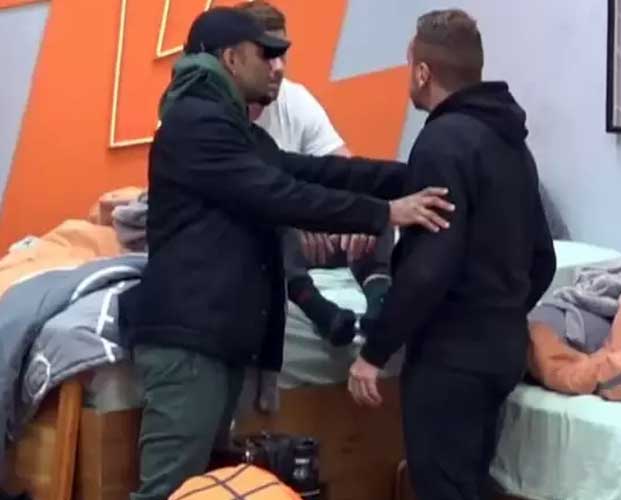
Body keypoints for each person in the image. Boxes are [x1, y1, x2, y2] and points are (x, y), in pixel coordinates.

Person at [117, 7, 454, 500]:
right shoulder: (197, 125)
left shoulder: (229, 127)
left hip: (213, 338)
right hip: (189, 342)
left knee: (203, 490)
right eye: (267, 55)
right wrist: (385, 212)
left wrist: (412, 173)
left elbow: (316, 171)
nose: (277, 67)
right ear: (231, 59)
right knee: (170, 492)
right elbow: (278, 193)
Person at [347, 9, 557, 500]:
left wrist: (373, 353)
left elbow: (429, 268)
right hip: (502, 351)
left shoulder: (441, 143)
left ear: (423, 72)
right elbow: (543, 259)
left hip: (450, 359)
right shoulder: (512, 144)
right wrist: (500, 312)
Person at [237, 0, 395, 346]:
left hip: (310, 227)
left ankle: (378, 302)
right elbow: (250, 194)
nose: (278, 67)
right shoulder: (216, 116)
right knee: (266, 221)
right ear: (238, 58)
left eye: (283, 54)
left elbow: (342, 167)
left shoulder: (295, 100)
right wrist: (299, 218)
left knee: (379, 211)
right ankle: (316, 307)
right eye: (268, 55)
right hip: (265, 238)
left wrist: (360, 212)